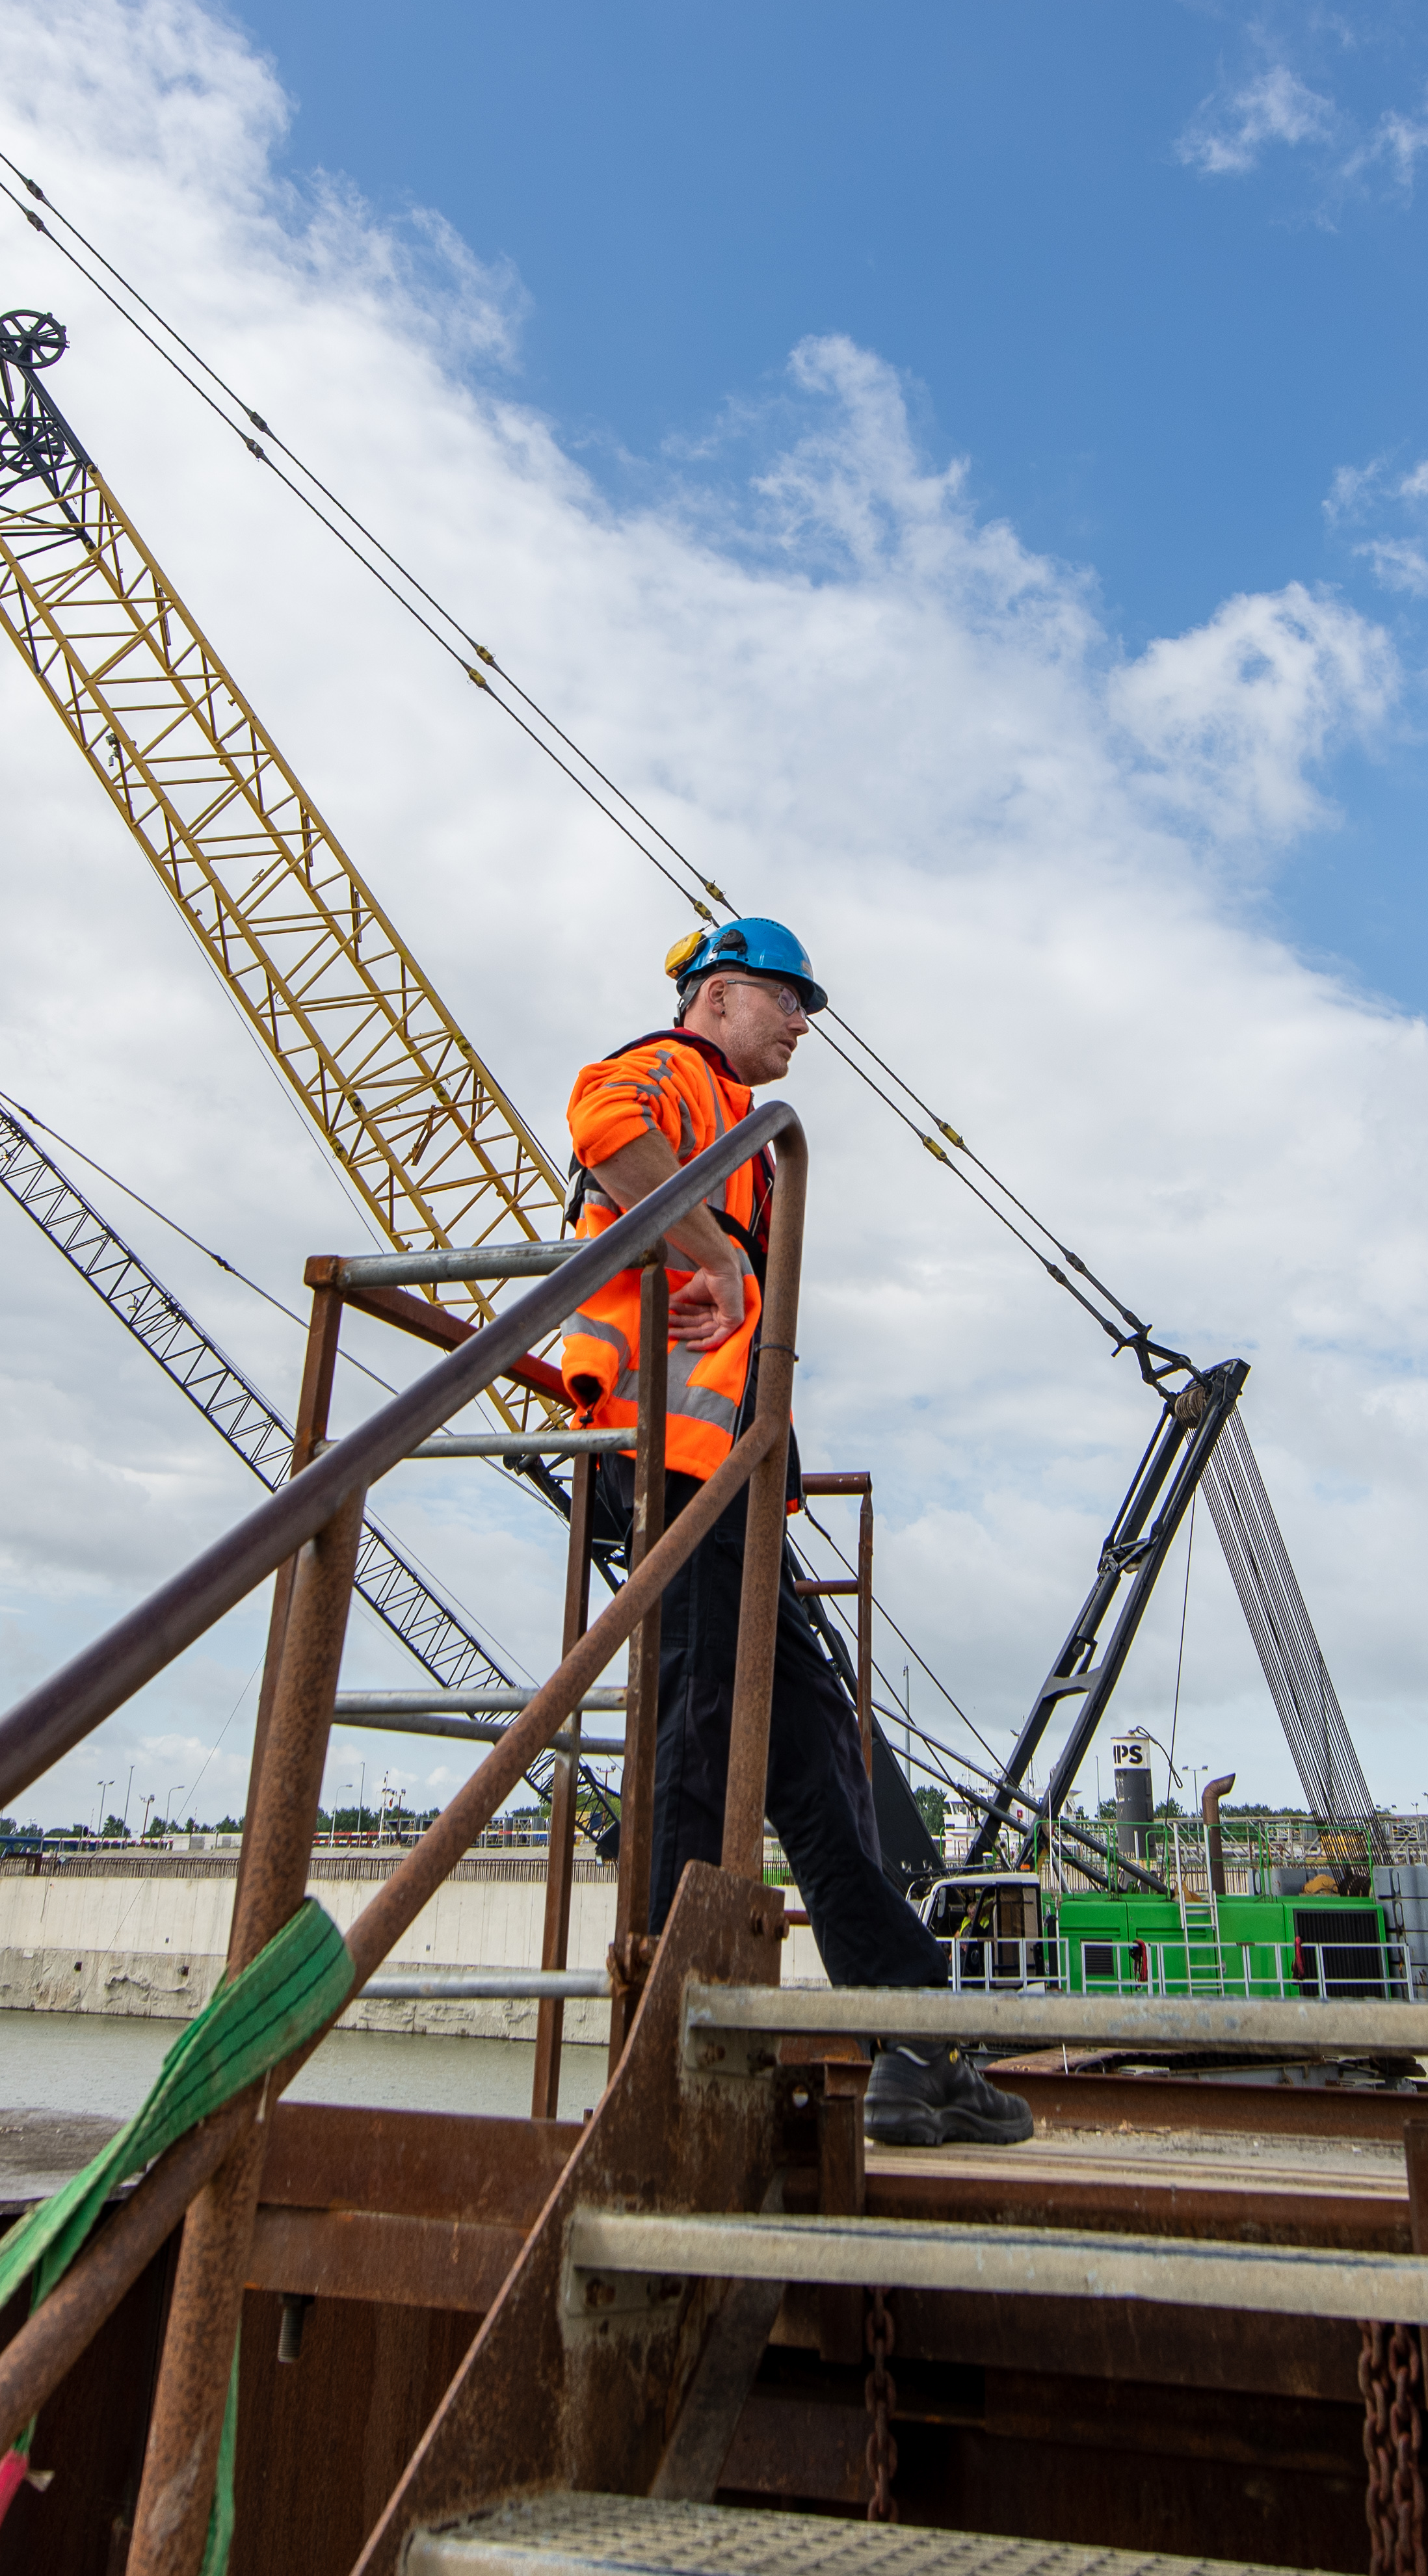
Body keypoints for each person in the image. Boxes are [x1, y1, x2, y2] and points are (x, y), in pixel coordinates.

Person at [553, 915, 1031, 2151]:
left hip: (723, 1472)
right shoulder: (685, 1075)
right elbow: (604, 1122)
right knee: (706, 1728)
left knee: (813, 1749)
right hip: (674, 1464)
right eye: (787, 999)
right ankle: (662, 2041)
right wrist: (713, 1249)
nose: (803, 1024)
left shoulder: (735, 1120)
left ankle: (914, 2037)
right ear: (716, 994)